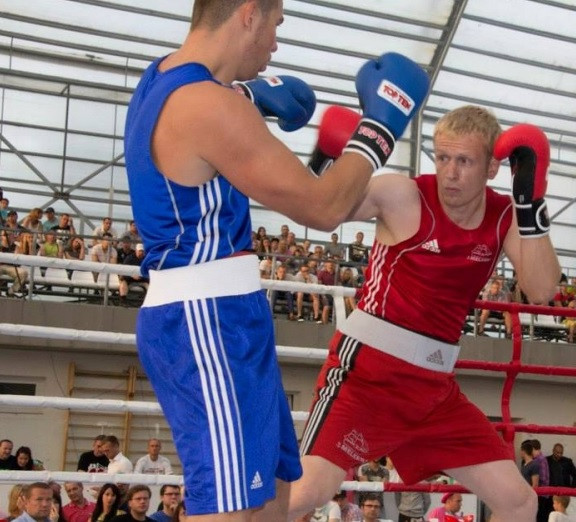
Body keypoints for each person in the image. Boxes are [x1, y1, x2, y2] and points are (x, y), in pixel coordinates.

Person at [123, 1, 429, 520]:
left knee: (272, 503)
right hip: (204, 321)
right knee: (227, 510)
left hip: (229, 317)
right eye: (277, 25)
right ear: (249, 15)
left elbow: (205, 146)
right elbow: (323, 207)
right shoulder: (207, 106)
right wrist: (379, 125)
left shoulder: (167, 80)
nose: (276, 44)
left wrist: (250, 95)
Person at [288, 104, 559, 521]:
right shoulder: (403, 194)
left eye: (465, 161)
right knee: (305, 493)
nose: (450, 172)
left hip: (434, 393)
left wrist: (529, 203)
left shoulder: (504, 216)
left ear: (491, 169)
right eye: (443, 157)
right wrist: (324, 159)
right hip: (366, 379)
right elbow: (321, 209)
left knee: (519, 502)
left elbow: (542, 289)